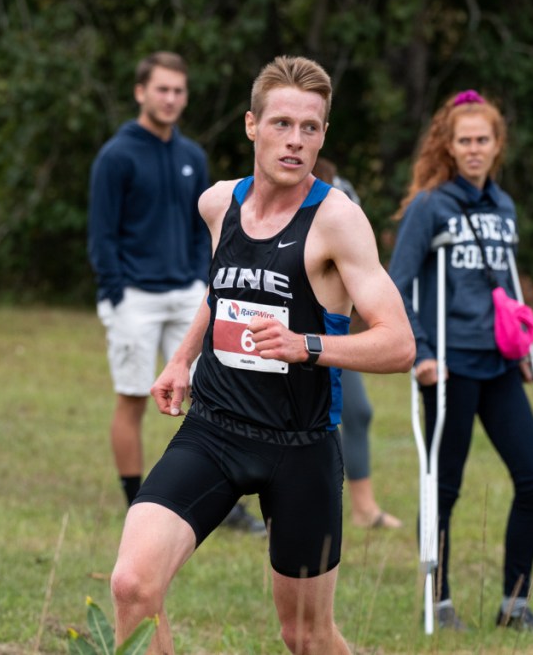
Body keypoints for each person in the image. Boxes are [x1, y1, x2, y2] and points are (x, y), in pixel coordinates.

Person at [109, 56, 415, 654]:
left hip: (299, 446)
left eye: (310, 127)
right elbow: (223, 285)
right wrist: (181, 359)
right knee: (131, 585)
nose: (295, 140)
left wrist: (309, 347)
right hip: (214, 430)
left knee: (305, 636)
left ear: (323, 135)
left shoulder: (338, 222)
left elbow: (399, 342)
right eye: (281, 124)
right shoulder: (218, 203)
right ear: (252, 125)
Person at [387, 89, 533, 635]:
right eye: (465, 141)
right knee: (445, 487)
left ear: (497, 144)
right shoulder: (430, 206)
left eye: (483, 140)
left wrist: (524, 348)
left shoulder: (503, 207)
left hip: (500, 364)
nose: (475, 149)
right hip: (450, 367)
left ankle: (515, 604)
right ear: (449, 146)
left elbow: (506, 285)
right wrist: (422, 353)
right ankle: (440, 600)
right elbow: (397, 285)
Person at [88, 51, 264, 534]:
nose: (170, 99)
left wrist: (199, 277)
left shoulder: (191, 156)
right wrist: (117, 291)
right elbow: (102, 234)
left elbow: (199, 226)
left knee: (213, 393)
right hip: (134, 299)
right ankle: (136, 500)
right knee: (134, 398)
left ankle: (223, 502)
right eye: (161, 89)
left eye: (178, 90)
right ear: (140, 92)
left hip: (188, 292)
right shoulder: (117, 155)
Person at [311, 157, 401, 530]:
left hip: (331, 332)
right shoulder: (260, 189)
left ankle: (364, 507)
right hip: (276, 332)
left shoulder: (342, 189)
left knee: (357, 411)